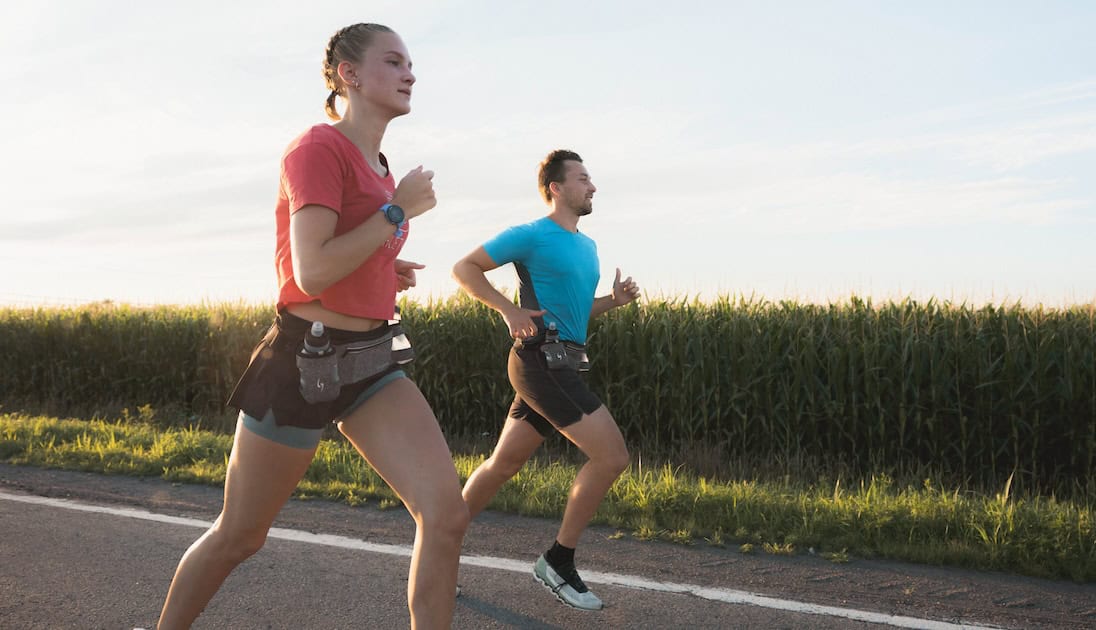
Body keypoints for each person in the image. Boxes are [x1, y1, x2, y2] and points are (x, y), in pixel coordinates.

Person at [157, 23, 468, 630]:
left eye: (411, 64)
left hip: (373, 362)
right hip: (305, 364)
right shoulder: (317, 149)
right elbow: (315, 269)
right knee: (240, 537)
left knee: (446, 514)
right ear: (349, 74)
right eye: (394, 61)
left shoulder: (380, 165)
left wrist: (385, 263)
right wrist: (397, 211)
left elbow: (347, 251)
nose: (410, 74)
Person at [451, 149, 640, 611]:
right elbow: (464, 268)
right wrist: (509, 310)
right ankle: (558, 561)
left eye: (590, 178)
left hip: (566, 360)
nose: (592, 186)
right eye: (582, 178)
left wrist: (611, 301)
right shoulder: (531, 235)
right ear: (556, 187)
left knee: (503, 464)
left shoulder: (587, 246)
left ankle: (440, 542)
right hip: (539, 362)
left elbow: (575, 313)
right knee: (612, 457)